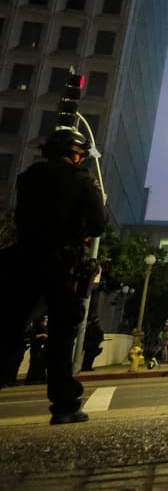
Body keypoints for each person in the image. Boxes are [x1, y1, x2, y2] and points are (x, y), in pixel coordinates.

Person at [0, 128, 104, 424]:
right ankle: (64, 404)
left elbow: (19, 217)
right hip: (61, 263)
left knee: (10, 328)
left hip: (24, 259)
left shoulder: (28, 178)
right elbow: (98, 224)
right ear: (75, 153)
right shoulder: (81, 179)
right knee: (61, 334)